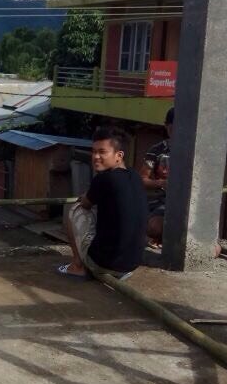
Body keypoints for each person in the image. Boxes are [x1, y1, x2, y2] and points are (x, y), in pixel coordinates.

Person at [59, 126, 148, 278]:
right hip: (131, 265)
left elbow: (85, 204)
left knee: (74, 209)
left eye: (102, 152)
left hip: (104, 264)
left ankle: (78, 266)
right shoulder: (135, 176)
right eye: (94, 151)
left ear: (119, 155)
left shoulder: (104, 178)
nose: (95, 157)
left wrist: (86, 196)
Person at [140, 107, 173, 245]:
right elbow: (142, 180)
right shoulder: (156, 150)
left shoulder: (194, 151)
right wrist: (162, 183)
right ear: (166, 126)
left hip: (187, 205)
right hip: (160, 202)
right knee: (154, 227)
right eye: (172, 128)